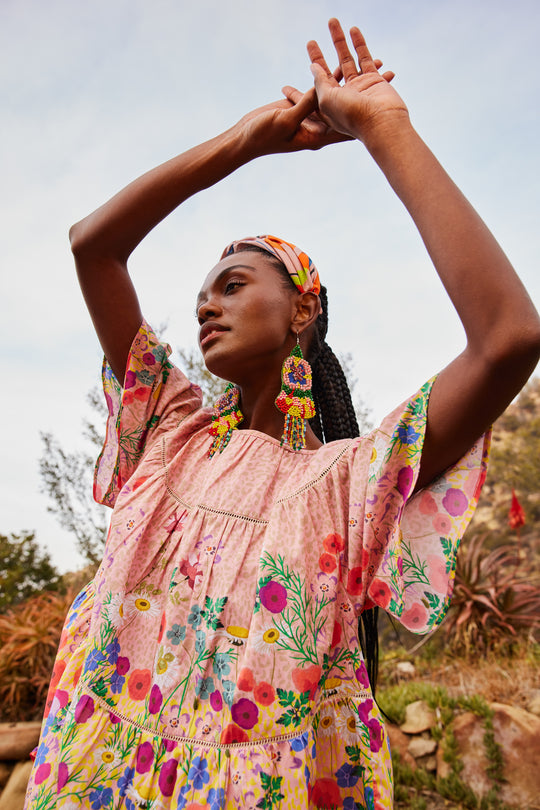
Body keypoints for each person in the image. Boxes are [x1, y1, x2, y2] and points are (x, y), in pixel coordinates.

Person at [25, 19, 540, 810]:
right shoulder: (169, 435)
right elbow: (93, 245)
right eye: (203, 290)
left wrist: (383, 128)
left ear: (302, 309)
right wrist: (243, 141)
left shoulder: (345, 485)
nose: (205, 302)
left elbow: (509, 337)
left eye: (233, 283)